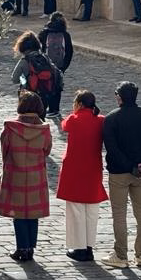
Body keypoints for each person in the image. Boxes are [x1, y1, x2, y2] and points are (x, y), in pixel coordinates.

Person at [100, 81, 141, 269]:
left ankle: (121, 255)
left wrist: (130, 165)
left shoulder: (112, 119)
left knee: (119, 214)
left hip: (119, 172)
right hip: (140, 173)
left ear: (119, 96)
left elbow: (112, 148)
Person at [0, 91, 52, 262]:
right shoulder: (44, 129)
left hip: (15, 172)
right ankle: (30, 248)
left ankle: (21, 247)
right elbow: (47, 150)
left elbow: (4, 150)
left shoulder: (10, 127)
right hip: (36, 174)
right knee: (33, 213)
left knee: (19, 213)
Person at [57, 90, 106, 262]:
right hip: (93, 168)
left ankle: (78, 247)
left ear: (79, 104)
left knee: (75, 209)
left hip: (74, 169)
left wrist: (75, 111)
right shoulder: (100, 120)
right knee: (92, 209)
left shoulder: (74, 119)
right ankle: (89, 246)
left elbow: (64, 126)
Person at [10, 31, 59, 120]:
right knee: (41, 118)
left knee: (26, 120)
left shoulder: (24, 61)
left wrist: (24, 79)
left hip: (28, 97)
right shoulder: (45, 58)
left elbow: (14, 79)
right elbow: (56, 73)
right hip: (44, 94)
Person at [38, 12, 74, 118]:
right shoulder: (65, 35)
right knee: (57, 87)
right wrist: (64, 67)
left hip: (46, 65)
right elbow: (69, 52)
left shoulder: (44, 33)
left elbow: (39, 48)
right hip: (59, 66)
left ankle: (45, 107)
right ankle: (55, 109)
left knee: (45, 86)